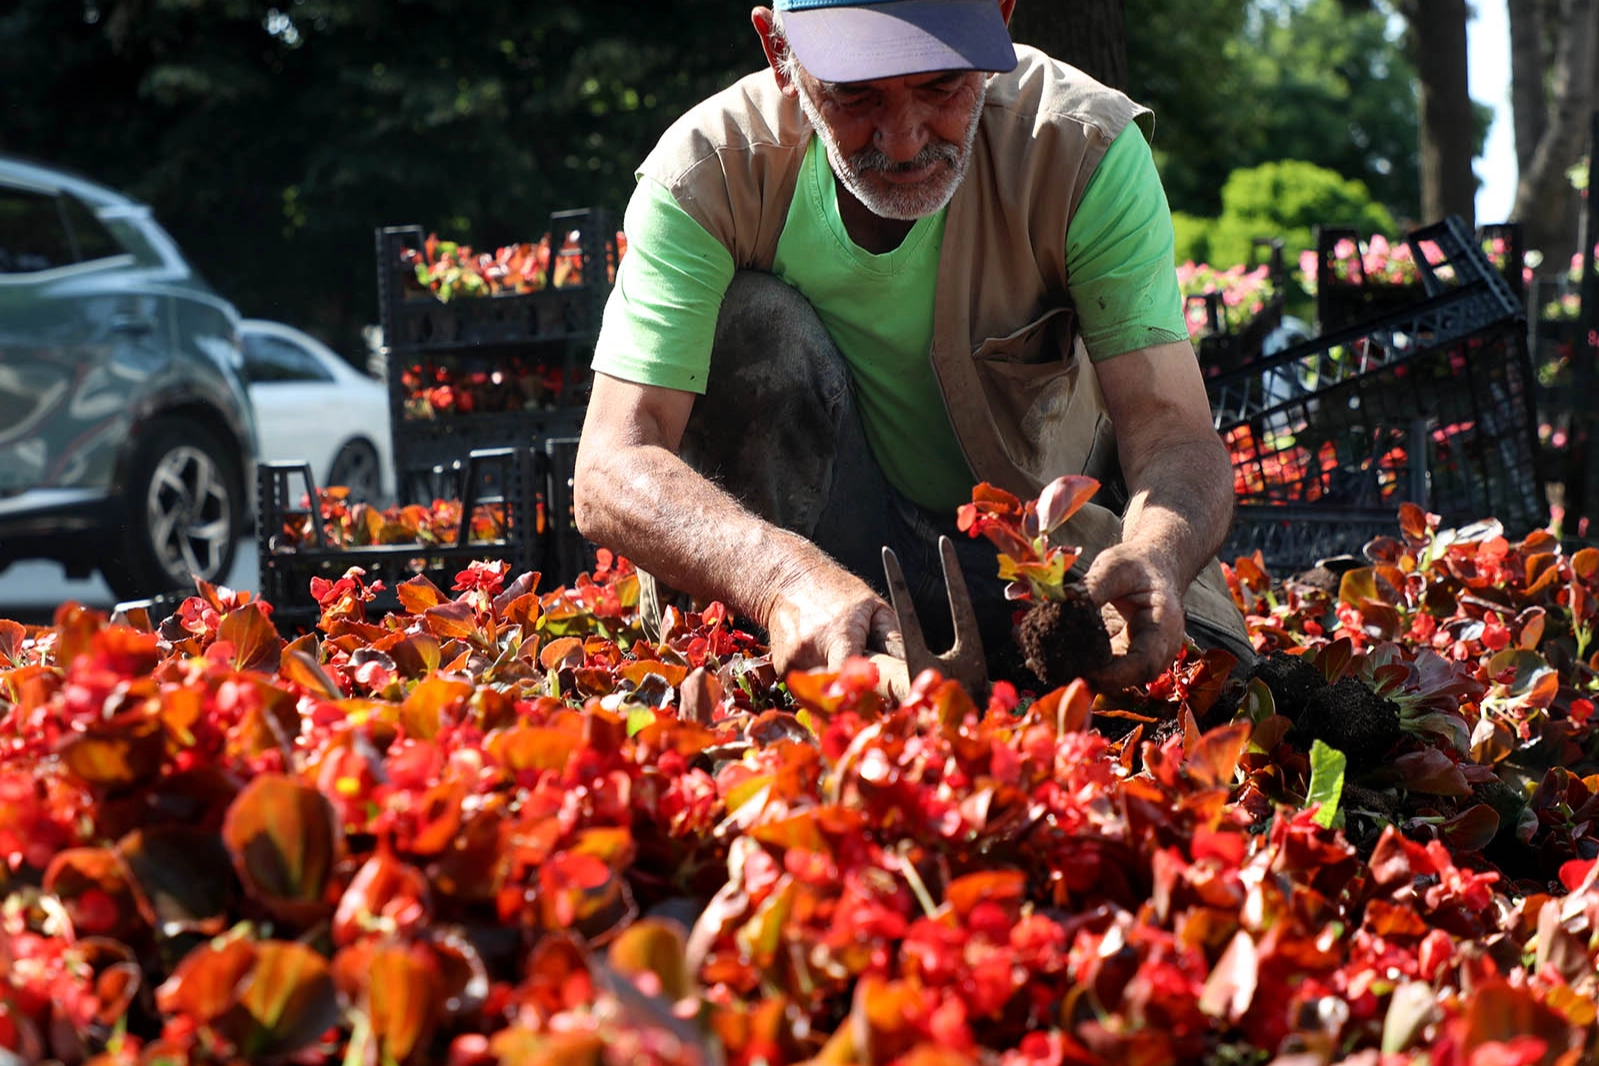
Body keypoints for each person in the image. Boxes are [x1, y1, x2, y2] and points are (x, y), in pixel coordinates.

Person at [572, 0, 1252, 689]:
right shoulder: (710, 170)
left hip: (1042, 567)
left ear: (1000, 20)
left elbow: (1168, 426)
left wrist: (1157, 554)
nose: (901, 140)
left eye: (939, 87)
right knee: (752, 322)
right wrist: (780, 578)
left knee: (1226, 692)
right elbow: (611, 463)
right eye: (853, 96)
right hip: (827, 563)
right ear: (778, 50)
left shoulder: (1076, 147)